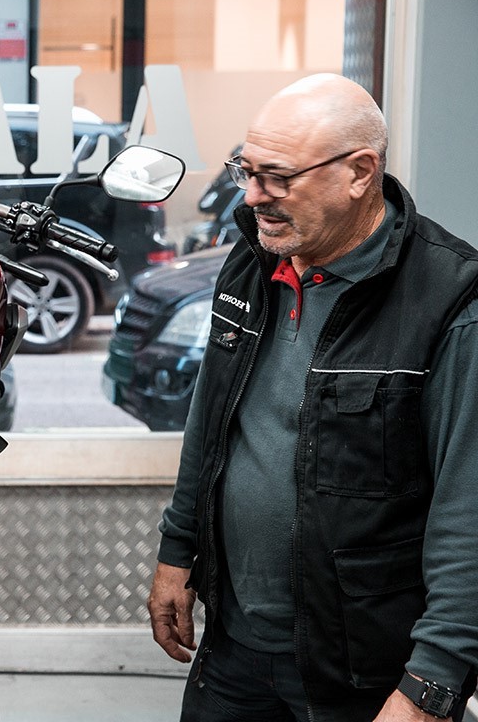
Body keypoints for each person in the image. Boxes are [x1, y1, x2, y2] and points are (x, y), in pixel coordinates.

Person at [147, 73, 478, 722]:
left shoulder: (448, 303)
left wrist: (431, 685)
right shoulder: (253, 261)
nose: (252, 195)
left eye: (277, 177)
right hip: (235, 649)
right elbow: (209, 422)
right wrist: (175, 550)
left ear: (360, 172)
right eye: (245, 168)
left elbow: (466, 514)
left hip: (364, 675)